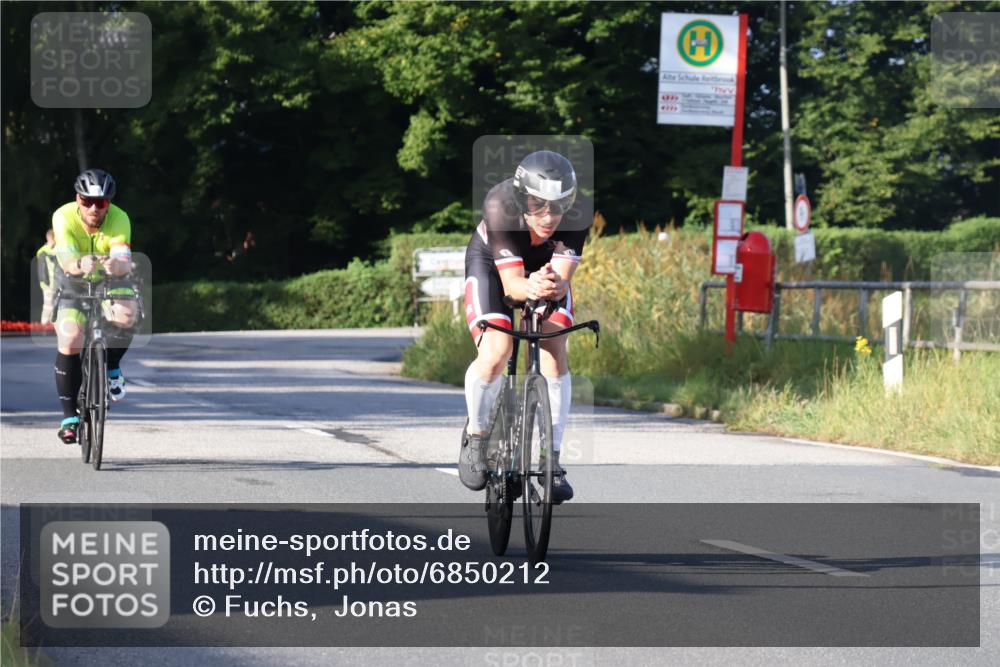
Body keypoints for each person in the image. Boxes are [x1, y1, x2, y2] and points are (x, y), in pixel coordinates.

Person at [459, 150, 588, 503]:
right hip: (493, 266)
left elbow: (561, 280)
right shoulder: (500, 205)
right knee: (497, 350)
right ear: (521, 198)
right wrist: (530, 287)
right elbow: (513, 287)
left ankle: (552, 460)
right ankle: (477, 434)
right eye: (538, 205)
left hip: (542, 269)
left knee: (554, 344)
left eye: (559, 205)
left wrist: (554, 285)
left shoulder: (578, 214)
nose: (549, 216)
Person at [52, 169, 137, 444]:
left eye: (100, 203)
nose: (93, 208)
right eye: (86, 200)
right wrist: (78, 264)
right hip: (72, 278)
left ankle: (111, 365)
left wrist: (117, 264)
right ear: (77, 198)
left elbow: (123, 255)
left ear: (108, 203)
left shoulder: (120, 218)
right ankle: (69, 416)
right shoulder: (63, 216)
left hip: (110, 277)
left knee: (126, 314)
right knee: (71, 336)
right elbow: (65, 256)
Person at [36, 229, 58, 324]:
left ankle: (49, 325)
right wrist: (45, 283)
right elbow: (42, 270)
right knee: (48, 306)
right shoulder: (44, 252)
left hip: (56, 283)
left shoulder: (53, 250)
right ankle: (44, 325)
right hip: (48, 284)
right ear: (51, 238)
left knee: (54, 306)